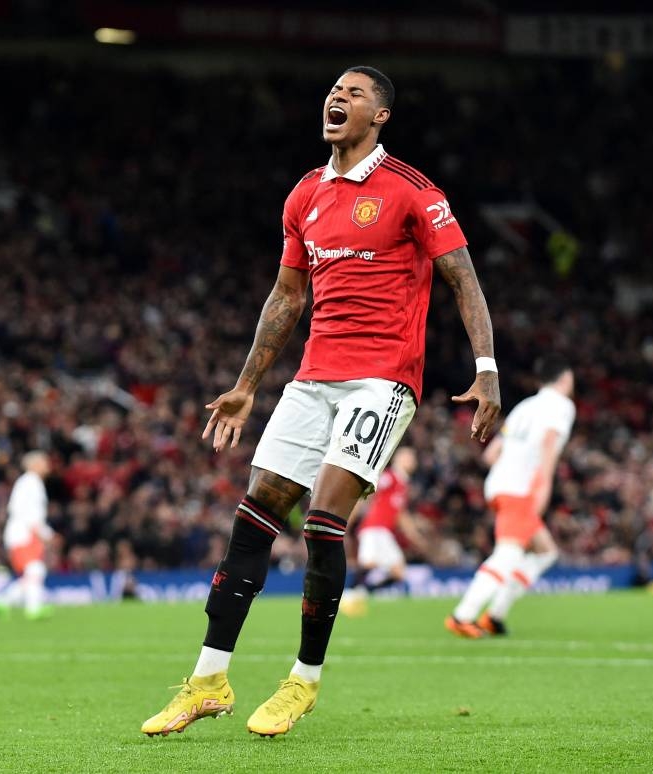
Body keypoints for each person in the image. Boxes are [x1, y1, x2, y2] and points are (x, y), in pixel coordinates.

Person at [141, 65, 501, 738]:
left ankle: (302, 681)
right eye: (334, 90)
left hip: (383, 380)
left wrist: (487, 370)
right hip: (312, 379)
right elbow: (286, 298)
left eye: (355, 93)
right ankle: (208, 679)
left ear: (380, 116)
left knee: (322, 520)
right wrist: (248, 385)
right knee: (253, 516)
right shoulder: (305, 193)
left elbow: (463, 277)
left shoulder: (413, 192)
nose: (337, 97)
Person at [446, 355, 574, 638]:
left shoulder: (524, 407)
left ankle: (495, 615)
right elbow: (550, 443)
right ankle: (463, 615)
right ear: (565, 379)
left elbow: (492, 454)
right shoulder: (562, 406)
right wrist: (544, 486)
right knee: (508, 554)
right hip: (520, 489)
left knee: (545, 552)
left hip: (499, 484)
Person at [339, 446, 428, 617]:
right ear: (399, 460)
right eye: (409, 457)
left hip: (384, 532)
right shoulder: (390, 476)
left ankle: (360, 594)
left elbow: (401, 515)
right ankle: (348, 594)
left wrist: (415, 536)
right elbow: (365, 496)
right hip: (373, 528)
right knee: (369, 564)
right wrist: (348, 522)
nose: (413, 461)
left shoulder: (403, 484)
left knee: (398, 572)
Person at [0, 451, 55, 620]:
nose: (47, 466)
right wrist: (42, 532)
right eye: (44, 462)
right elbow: (26, 511)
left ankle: (4, 601)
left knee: (33, 572)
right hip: (25, 533)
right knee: (35, 569)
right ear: (34, 465)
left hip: (22, 532)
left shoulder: (27, 482)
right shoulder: (31, 482)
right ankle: (32, 608)